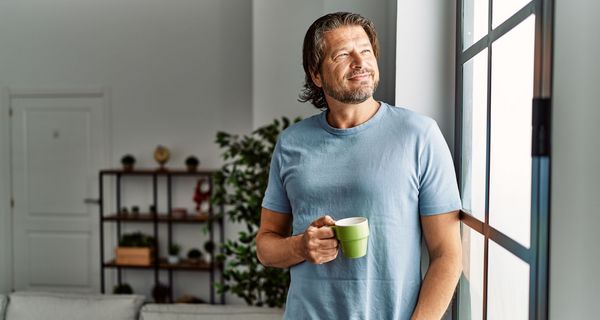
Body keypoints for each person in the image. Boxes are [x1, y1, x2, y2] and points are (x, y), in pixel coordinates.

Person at [256, 12, 462, 320]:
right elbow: (266, 246)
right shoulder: (291, 143)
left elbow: (448, 255)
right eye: (342, 55)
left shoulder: (419, 134)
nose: (360, 62)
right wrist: (300, 247)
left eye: (365, 51)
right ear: (316, 74)